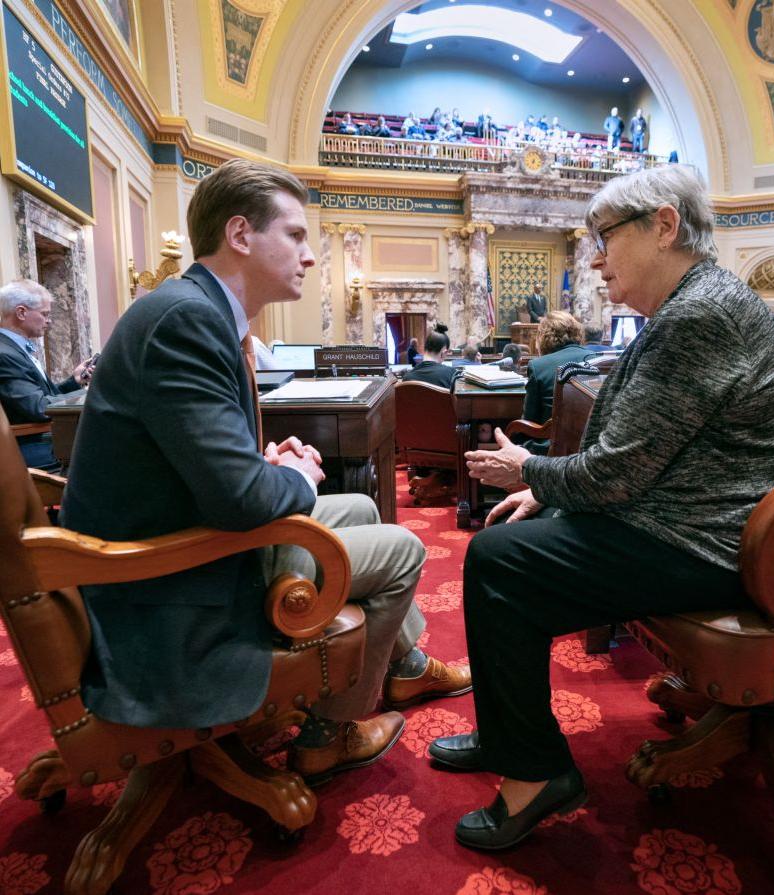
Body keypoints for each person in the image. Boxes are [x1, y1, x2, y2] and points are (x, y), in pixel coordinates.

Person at [427, 164, 774, 849]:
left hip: (729, 541)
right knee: (514, 540)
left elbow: (617, 472)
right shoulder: (692, 304)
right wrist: (541, 487)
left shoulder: (700, 314)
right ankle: (509, 736)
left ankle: (537, 773)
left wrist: (530, 469)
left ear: (663, 225)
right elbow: (635, 461)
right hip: (702, 519)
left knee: (501, 560)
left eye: (604, 235)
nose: (594, 256)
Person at [59, 159, 470, 785]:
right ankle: (333, 731)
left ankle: (406, 665)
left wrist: (262, 466)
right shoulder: (186, 320)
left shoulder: (192, 309)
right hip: (166, 592)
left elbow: (196, 466)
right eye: (297, 235)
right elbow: (241, 503)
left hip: (175, 539)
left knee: (358, 509)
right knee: (403, 546)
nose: (309, 255)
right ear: (241, 235)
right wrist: (295, 478)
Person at [0, 279, 95, 470]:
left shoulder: (13, 348)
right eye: (44, 314)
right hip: (29, 446)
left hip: (41, 439)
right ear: (21, 312)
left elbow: (38, 397)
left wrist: (74, 383)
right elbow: (39, 408)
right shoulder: (4, 354)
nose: (49, 321)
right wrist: (90, 394)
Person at [520, 311, 593, 454]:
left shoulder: (538, 366)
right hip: (591, 449)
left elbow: (529, 420)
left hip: (550, 450)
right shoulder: (598, 359)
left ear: (543, 337)